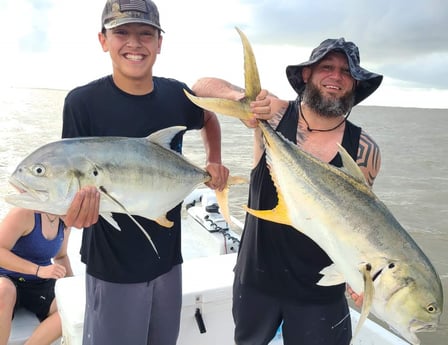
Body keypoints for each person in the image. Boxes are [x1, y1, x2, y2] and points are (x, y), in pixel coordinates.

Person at [192, 37, 383, 344]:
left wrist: (360, 278)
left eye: (346, 72)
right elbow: (200, 86)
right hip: (256, 283)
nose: (336, 76)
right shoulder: (274, 115)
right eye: (327, 67)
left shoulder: (363, 150)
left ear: (356, 84)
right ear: (307, 74)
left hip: (320, 293)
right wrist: (245, 102)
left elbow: (360, 225)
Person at [61, 1, 229, 345]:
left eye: (145, 34)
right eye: (121, 32)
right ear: (103, 40)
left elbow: (209, 117)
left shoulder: (177, 95)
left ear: (159, 43)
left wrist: (214, 160)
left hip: (169, 261)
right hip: (113, 269)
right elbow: (70, 179)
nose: (134, 44)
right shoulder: (82, 103)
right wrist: (74, 214)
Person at [0, 208, 72, 345]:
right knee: (4, 291)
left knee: (70, 308)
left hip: (38, 283)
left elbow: (61, 256)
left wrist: (72, 283)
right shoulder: (24, 213)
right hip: (6, 274)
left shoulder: (65, 221)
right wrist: (38, 270)